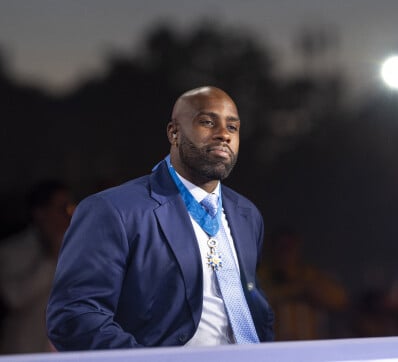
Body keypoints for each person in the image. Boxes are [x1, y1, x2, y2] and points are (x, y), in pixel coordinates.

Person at [46, 86, 274, 350]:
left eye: (232, 128)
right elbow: (75, 316)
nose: (223, 134)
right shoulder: (113, 210)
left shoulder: (247, 215)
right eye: (207, 122)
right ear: (173, 132)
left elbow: (254, 307)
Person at [0, 180, 75, 354]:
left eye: (70, 208)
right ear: (40, 213)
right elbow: (14, 297)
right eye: (62, 209)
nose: (68, 215)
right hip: (24, 351)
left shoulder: (78, 246)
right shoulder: (11, 250)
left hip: (65, 351)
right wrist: (53, 257)